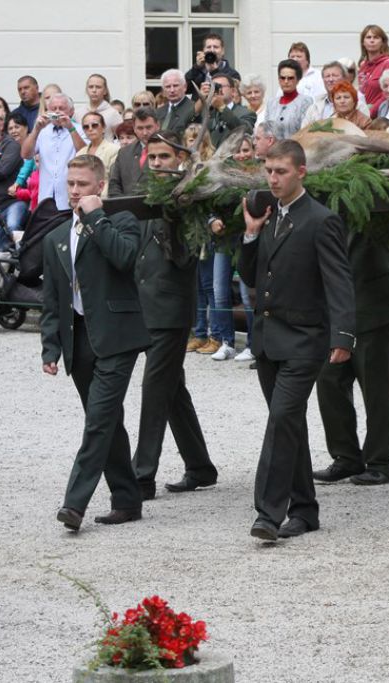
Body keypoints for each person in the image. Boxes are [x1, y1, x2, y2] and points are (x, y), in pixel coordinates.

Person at [240, 139, 355, 541]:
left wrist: (343, 335)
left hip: (305, 340)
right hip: (268, 339)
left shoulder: (321, 220)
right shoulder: (269, 217)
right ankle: (304, 510)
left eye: (281, 171)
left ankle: (268, 514)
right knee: (289, 425)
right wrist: (251, 234)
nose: (273, 179)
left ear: (301, 172)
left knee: (281, 419)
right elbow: (250, 276)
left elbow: (339, 281)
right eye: (269, 171)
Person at [40, 154, 151, 531]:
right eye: (70, 183)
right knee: (106, 421)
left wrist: (96, 217)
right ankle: (127, 498)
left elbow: (125, 258)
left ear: (99, 187)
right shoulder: (56, 237)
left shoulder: (121, 221)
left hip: (118, 335)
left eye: (82, 184)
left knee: (99, 420)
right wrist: (50, 347)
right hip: (79, 340)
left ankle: (74, 503)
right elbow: (53, 299)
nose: (74, 191)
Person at [312, 166, 389, 486]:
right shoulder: (318, 195)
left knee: (377, 386)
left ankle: (380, 461)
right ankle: (345, 457)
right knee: (329, 381)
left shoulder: (375, 192)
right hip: (337, 309)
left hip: (378, 305)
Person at [131, 132, 218, 500]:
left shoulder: (188, 198)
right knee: (172, 390)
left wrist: (175, 212)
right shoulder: (146, 194)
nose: (157, 163)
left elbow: (186, 255)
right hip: (145, 307)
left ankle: (141, 476)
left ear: (179, 159)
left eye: (164, 157)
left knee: (154, 390)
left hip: (170, 311)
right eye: (152, 157)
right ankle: (199, 466)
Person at [21, 93, 86, 210]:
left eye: (61, 108)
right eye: (53, 109)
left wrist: (70, 128)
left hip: (69, 197)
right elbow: (25, 154)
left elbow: (85, 155)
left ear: (71, 111)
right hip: (46, 196)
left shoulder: (79, 129)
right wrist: (36, 130)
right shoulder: (42, 130)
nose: (57, 112)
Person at [108, 107, 158, 198]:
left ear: (157, 126)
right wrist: (123, 203)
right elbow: (114, 184)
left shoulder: (168, 149)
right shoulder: (124, 153)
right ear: (134, 128)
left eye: (148, 127)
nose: (145, 132)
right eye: (140, 128)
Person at [196, 73, 257, 146]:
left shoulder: (246, 113)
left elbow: (244, 131)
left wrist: (222, 107)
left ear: (233, 91)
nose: (217, 89)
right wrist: (201, 100)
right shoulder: (206, 113)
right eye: (213, 86)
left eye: (221, 86)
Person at [75, 112, 120, 200]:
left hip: (105, 198)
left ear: (103, 127)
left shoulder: (114, 150)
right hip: (83, 199)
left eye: (94, 125)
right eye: (86, 127)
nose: (90, 129)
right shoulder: (80, 153)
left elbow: (114, 180)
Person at [264, 59, 312, 139]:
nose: (286, 81)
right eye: (282, 78)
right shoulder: (271, 103)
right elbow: (266, 130)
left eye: (290, 78)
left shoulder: (305, 102)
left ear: (298, 80)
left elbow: (305, 131)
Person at [357, 24, 389, 117]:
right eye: (368, 37)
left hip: (379, 115)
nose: (372, 40)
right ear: (363, 42)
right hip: (362, 115)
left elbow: (388, 93)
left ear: (382, 42)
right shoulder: (363, 65)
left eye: (376, 37)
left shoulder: (388, 63)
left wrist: (370, 112)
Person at [184, 32, 241, 97]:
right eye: (208, 47)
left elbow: (228, 94)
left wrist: (214, 72)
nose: (212, 50)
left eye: (216, 47)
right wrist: (196, 68)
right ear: (203, 50)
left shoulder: (233, 74)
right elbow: (184, 89)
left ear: (222, 51)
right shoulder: (198, 71)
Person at [157, 69, 196, 138]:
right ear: (163, 90)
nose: (172, 90)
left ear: (185, 87)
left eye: (175, 86)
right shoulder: (158, 112)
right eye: (168, 87)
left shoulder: (193, 109)